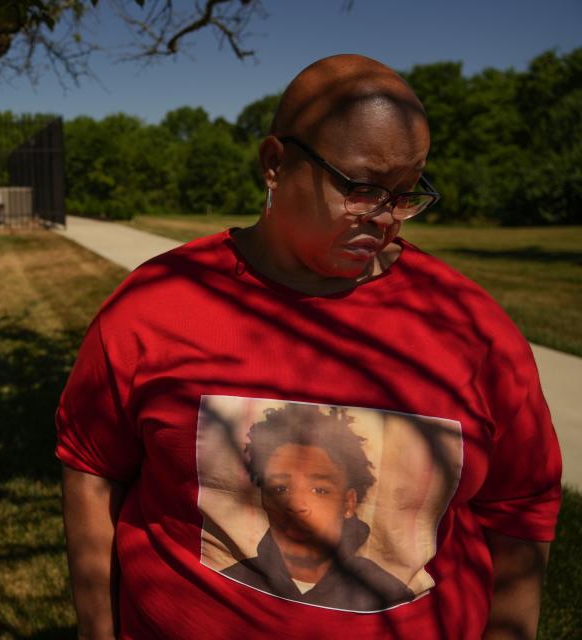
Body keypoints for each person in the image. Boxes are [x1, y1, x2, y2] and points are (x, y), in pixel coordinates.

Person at [57, 54, 561, 639]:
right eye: (362, 187)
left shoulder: (473, 331)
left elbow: (520, 507)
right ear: (275, 164)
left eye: (405, 191)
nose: (386, 217)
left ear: (351, 500)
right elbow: (91, 470)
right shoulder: (154, 307)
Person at [220, 404, 415, 612]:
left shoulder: (388, 596)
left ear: (348, 503)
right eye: (280, 488)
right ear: (264, 501)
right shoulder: (226, 586)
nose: (296, 505)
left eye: (319, 490)